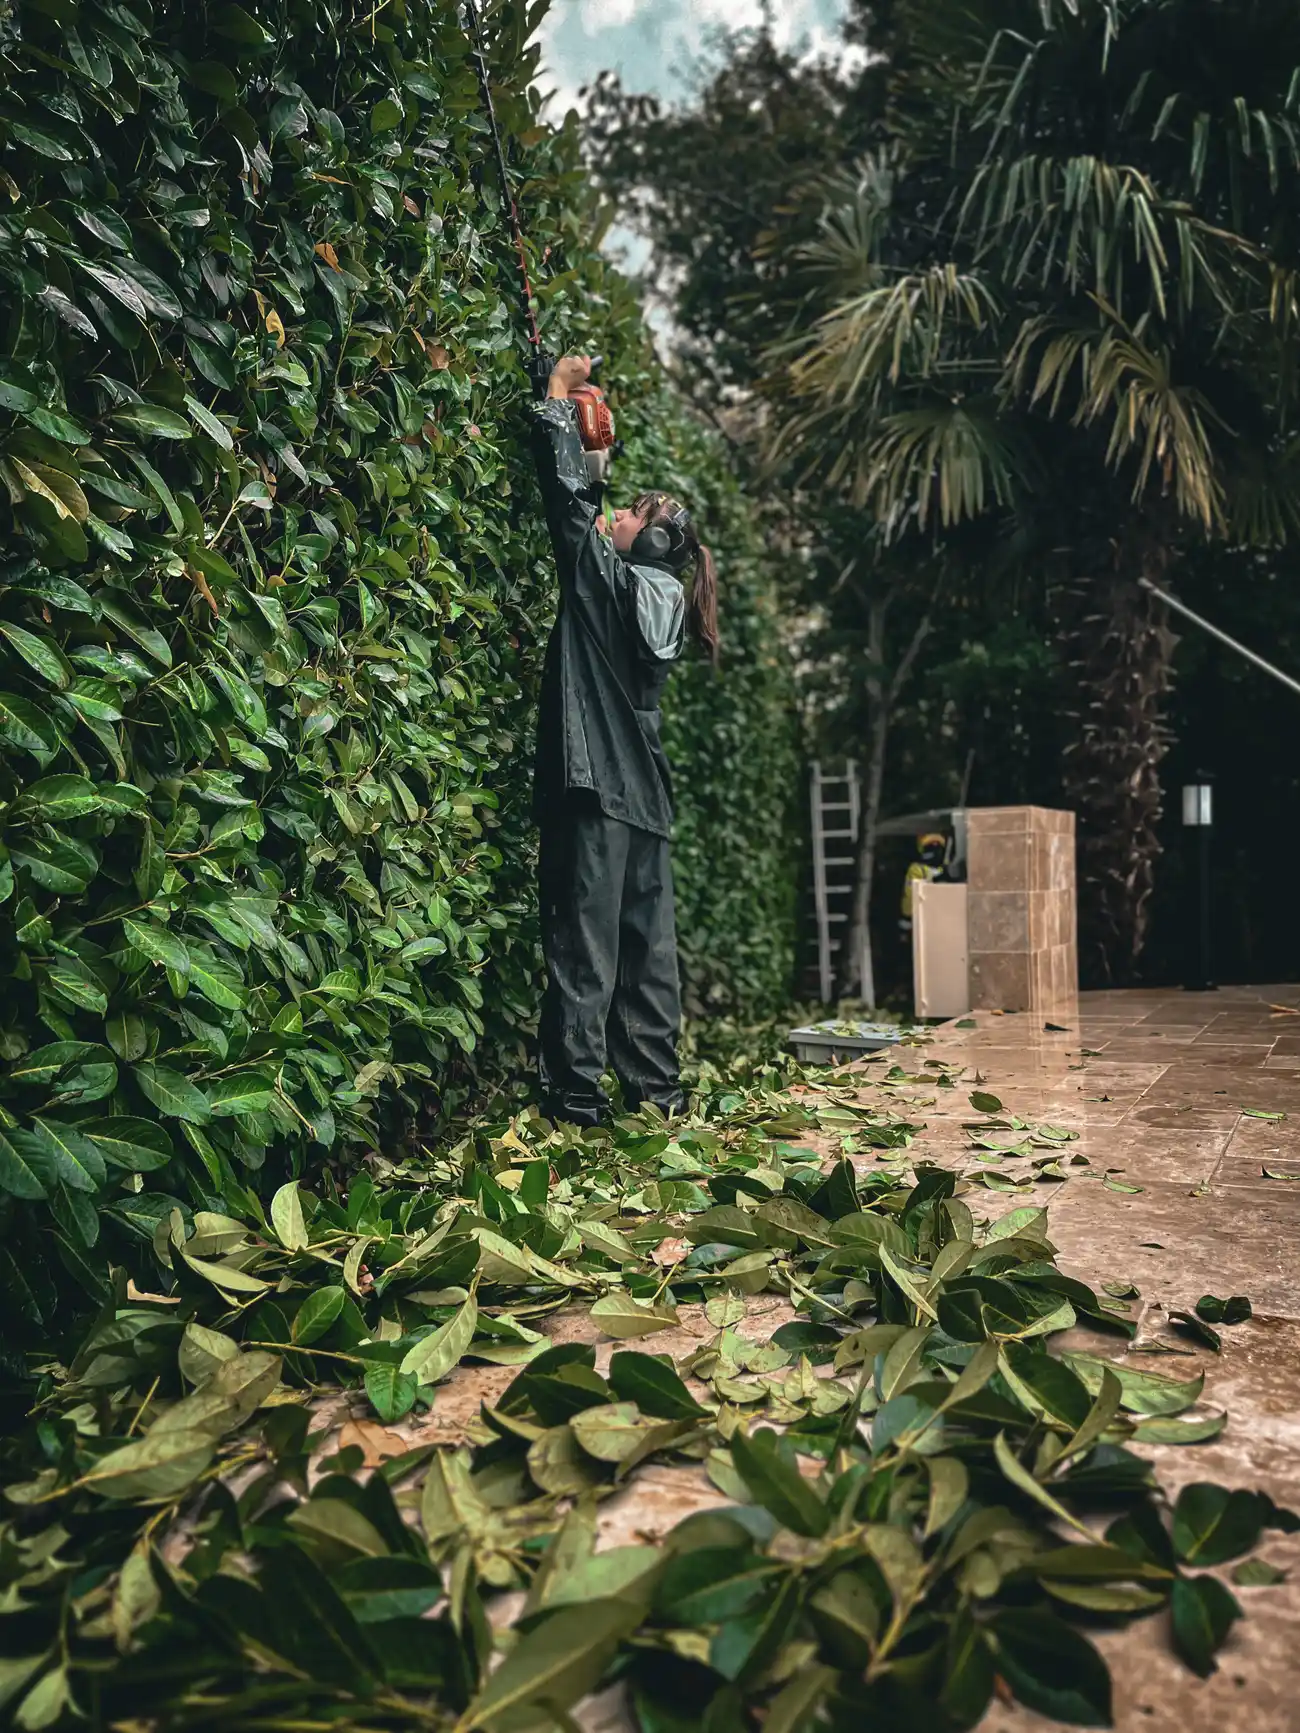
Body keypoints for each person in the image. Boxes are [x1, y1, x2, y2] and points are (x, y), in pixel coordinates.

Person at [530, 352, 719, 1127]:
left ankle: (577, 1103)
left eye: (635, 513)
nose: (621, 515)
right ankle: (658, 1099)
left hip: (599, 790)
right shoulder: (662, 595)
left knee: (586, 949)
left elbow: (570, 505)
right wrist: (592, 442)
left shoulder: (606, 582)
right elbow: (592, 507)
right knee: (649, 956)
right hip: (648, 800)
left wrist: (555, 396)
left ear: (651, 539)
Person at [899, 832, 949, 937]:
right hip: (915, 917)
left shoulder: (945, 868)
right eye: (931, 846)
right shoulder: (916, 868)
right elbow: (912, 894)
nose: (936, 850)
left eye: (938, 846)